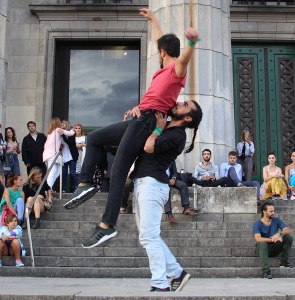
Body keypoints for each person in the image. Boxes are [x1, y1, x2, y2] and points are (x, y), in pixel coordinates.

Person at [64, 7, 199, 247]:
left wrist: (190, 42)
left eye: (159, 50)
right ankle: (84, 184)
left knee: (118, 170)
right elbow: (161, 40)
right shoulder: (162, 71)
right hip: (138, 119)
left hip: (146, 122)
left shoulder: (176, 70)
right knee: (94, 138)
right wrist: (153, 19)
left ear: (162, 52)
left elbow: (184, 59)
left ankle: (107, 225)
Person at [130, 100, 202, 291]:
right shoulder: (167, 123)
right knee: (149, 236)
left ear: (187, 118)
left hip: (152, 184)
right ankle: (177, 274)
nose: (179, 102)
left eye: (185, 104)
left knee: (149, 237)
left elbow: (149, 147)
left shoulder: (177, 135)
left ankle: (160, 283)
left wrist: (158, 129)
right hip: (145, 183)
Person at [253, 202, 293, 279]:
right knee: (262, 243)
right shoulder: (257, 224)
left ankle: (283, 262)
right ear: (264, 212)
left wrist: (279, 234)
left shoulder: (276, 220)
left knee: (288, 237)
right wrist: (272, 239)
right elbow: (257, 238)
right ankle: (266, 270)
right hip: (262, 250)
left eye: (273, 211)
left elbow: (287, 230)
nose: (273, 213)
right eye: (271, 211)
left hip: (274, 248)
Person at [42, 117, 75, 190]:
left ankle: (48, 188)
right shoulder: (58, 130)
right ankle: (47, 190)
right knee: (52, 172)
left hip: (47, 155)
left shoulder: (50, 132)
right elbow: (70, 133)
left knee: (57, 171)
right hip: (52, 155)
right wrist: (73, 130)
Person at [164, 160, 198, 225]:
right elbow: (157, 173)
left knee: (183, 185)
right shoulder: (157, 157)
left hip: (171, 179)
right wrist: (167, 180)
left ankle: (186, 208)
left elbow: (174, 172)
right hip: (162, 180)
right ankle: (169, 215)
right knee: (166, 190)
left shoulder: (171, 158)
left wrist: (173, 179)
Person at [61, 120, 79, 192]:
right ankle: (64, 189)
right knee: (64, 174)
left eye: (64, 123)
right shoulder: (59, 133)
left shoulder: (72, 133)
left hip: (72, 156)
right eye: (61, 123)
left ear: (67, 124)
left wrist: (63, 135)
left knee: (73, 173)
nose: (62, 124)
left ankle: (76, 188)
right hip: (64, 157)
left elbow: (69, 143)